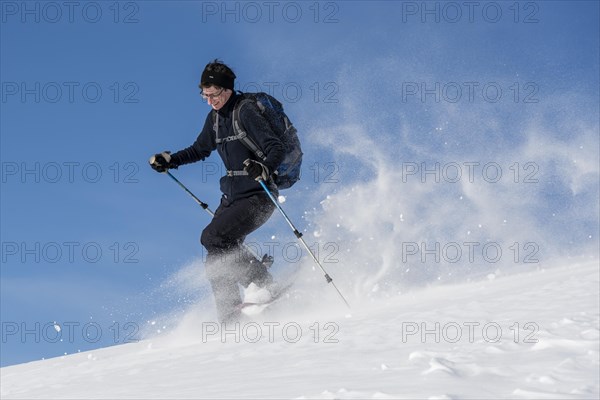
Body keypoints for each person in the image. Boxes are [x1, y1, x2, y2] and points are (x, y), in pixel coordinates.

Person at [149, 59, 285, 323]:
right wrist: (171, 160)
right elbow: (199, 149)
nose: (210, 100)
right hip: (234, 197)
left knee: (212, 237)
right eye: (205, 95)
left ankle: (265, 284)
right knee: (216, 254)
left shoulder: (245, 111)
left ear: (227, 90)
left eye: (214, 95)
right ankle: (229, 315)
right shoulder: (214, 119)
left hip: (258, 195)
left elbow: (276, 147)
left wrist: (264, 168)